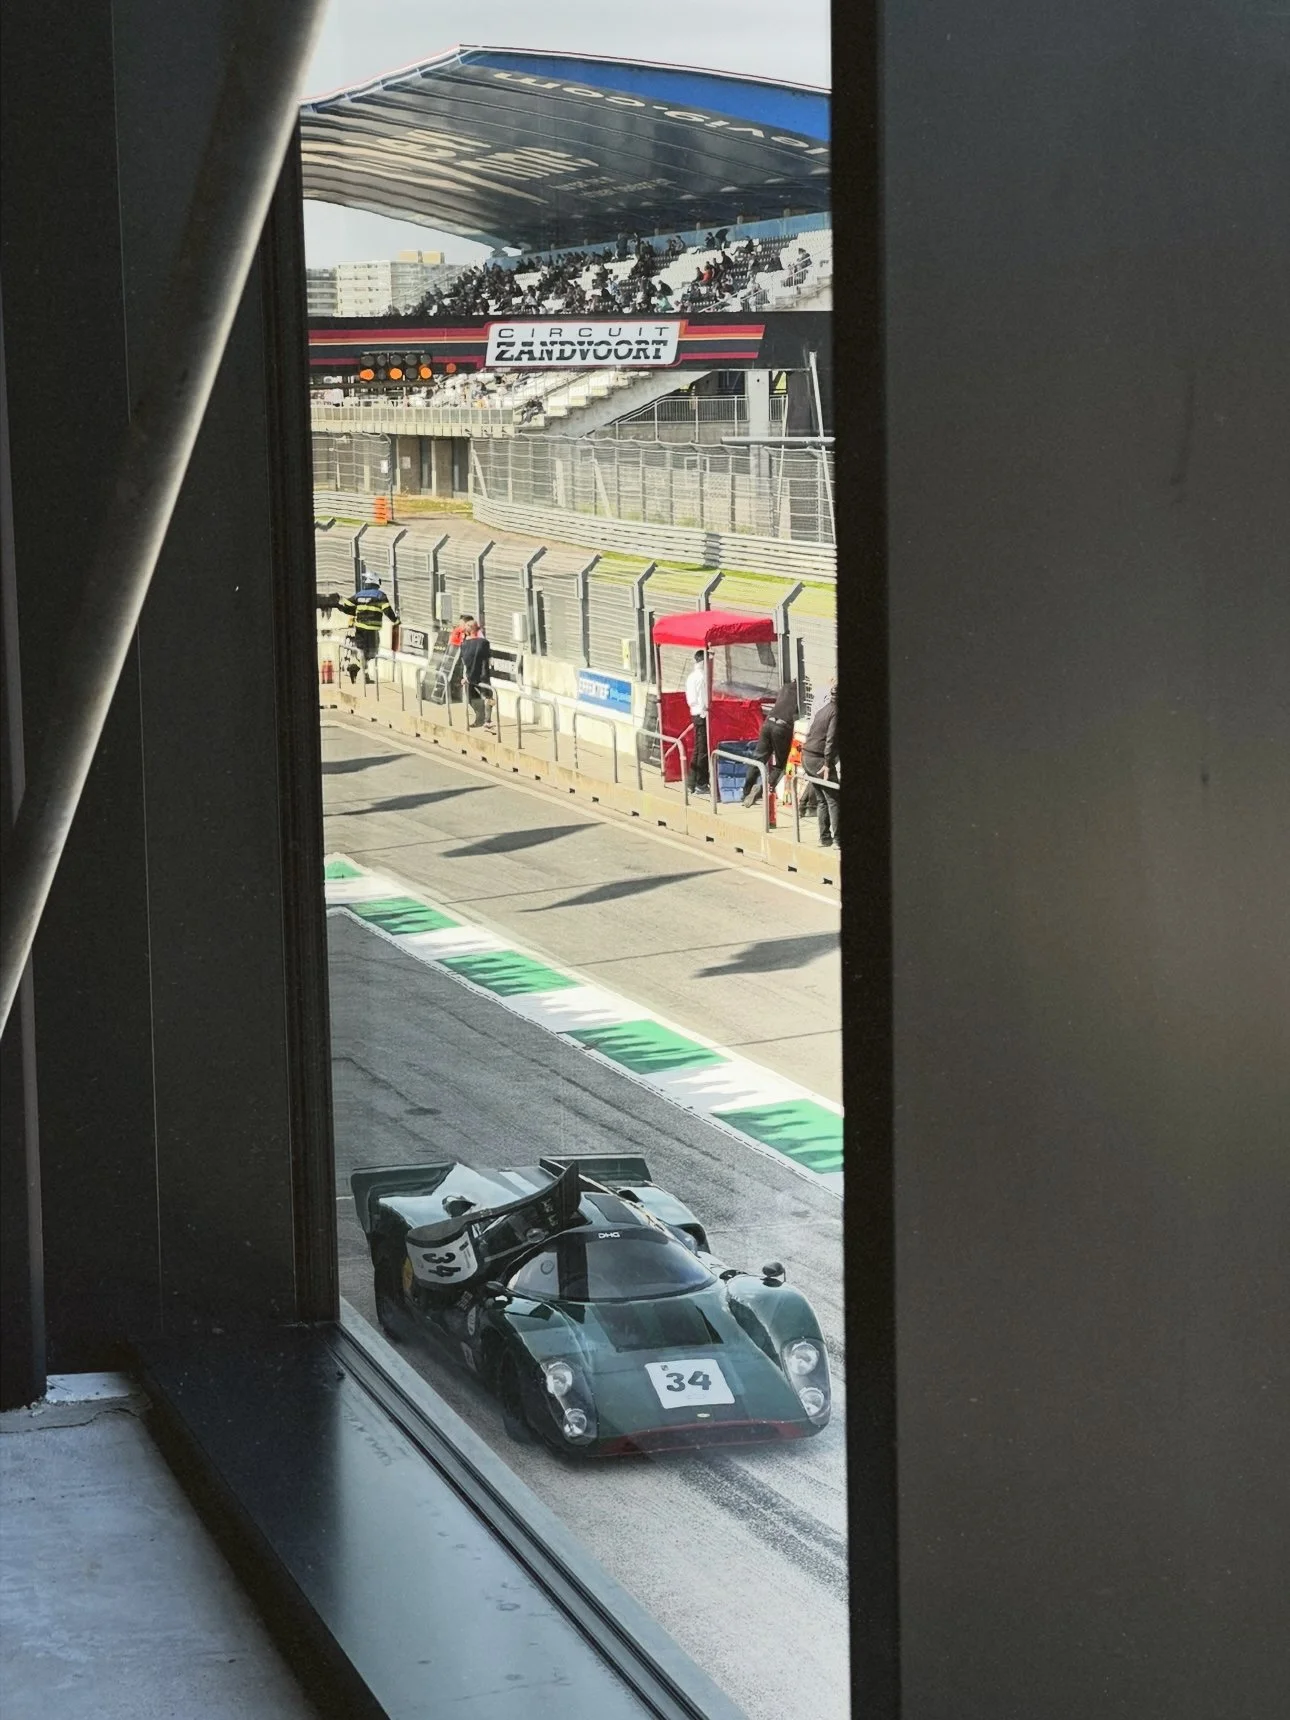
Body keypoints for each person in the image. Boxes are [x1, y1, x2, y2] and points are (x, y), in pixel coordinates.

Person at [742, 679, 798, 805]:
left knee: (758, 760)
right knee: (780, 765)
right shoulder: (801, 692)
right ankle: (763, 788)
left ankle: (746, 792)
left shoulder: (785, 687)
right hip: (782, 727)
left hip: (768, 723)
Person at [338, 574, 398, 683]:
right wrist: (396, 621)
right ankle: (363, 673)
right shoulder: (380, 595)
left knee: (361, 650)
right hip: (372, 630)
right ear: (376, 583)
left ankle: (357, 668)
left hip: (360, 628)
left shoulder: (359, 594)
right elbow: (387, 610)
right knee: (372, 652)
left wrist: (353, 611)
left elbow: (346, 605)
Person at [801, 680, 839, 847]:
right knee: (834, 799)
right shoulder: (836, 712)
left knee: (822, 799)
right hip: (818, 759)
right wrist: (827, 763)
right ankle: (838, 839)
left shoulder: (824, 709)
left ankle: (825, 838)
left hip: (807, 756)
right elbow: (830, 740)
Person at [684, 648, 710, 793]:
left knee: (697, 749)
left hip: (695, 713)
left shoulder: (691, 676)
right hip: (702, 714)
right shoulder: (701, 677)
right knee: (702, 750)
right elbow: (704, 698)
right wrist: (705, 710)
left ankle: (691, 782)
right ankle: (701, 783)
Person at [458, 620, 492, 727]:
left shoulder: (464, 645)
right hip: (483, 676)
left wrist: (466, 677)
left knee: (472, 699)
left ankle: (480, 718)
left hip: (470, 677)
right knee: (488, 698)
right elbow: (486, 661)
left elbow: (465, 662)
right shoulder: (484, 643)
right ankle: (487, 720)